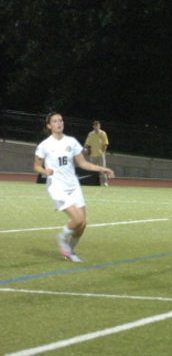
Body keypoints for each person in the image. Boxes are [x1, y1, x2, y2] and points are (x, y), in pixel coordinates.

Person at [34, 112, 115, 262]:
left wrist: (103, 169)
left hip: (73, 186)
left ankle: (69, 251)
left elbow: (83, 163)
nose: (59, 123)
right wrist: (45, 171)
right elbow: (36, 166)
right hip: (57, 187)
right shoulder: (44, 145)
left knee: (83, 223)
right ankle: (61, 237)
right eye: (55, 121)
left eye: (60, 120)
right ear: (49, 126)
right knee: (77, 219)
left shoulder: (71, 142)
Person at [84, 120, 110, 186]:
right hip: (92, 155)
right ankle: (93, 182)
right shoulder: (90, 134)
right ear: (93, 126)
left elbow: (105, 144)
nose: (96, 127)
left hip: (100, 154)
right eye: (95, 126)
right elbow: (87, 144)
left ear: (99, 126)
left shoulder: (103, 133)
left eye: (97, 126)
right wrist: (87, 150)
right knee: (93, 169)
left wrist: (103, 152)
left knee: (103, 168)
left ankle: (104, 182)